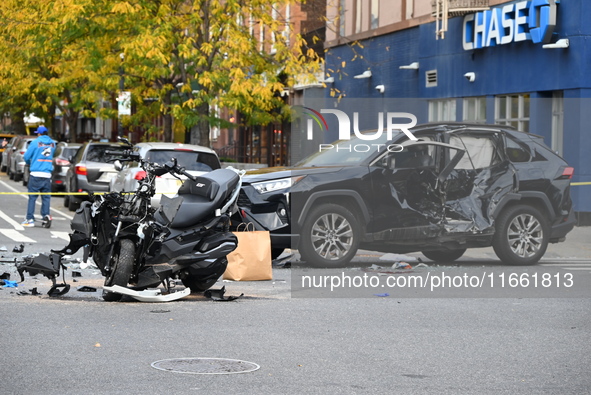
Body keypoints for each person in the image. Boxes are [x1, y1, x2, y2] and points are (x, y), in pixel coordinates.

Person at [21, 126, 56, 228]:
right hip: (47, 174)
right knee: (46, 198)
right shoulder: (53, 144)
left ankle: (30, 219)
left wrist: (29, 163)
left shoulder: (35, 142)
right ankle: (46, 217)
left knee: (32, 197)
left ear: (39, 134)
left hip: (36, 173)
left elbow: (27, 156)